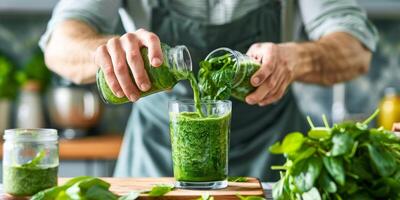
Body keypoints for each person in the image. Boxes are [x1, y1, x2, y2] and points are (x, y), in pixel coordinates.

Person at [40, 0, 378, 181]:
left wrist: (296, 58)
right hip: (155, 157)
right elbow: (59, 45)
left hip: (272, 154)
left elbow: (356, 49)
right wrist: (107, 53)